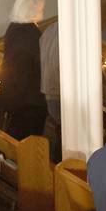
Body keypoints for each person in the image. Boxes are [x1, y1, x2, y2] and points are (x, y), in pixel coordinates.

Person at [0, 0, 49, 140]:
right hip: (28, 99)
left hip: (9, 89)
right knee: (28, 138)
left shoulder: (13, 27)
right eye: (41, 7)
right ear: (34, 9)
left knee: (16, 132)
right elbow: (41, 66)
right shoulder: (33, 35)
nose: (42, 10)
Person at [40, 21, 62, 162]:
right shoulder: (71, 36)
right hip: (60, 93)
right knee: (64, 132)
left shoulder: (50, 29)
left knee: (56, 128)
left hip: (46, 88)